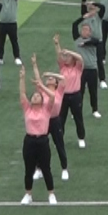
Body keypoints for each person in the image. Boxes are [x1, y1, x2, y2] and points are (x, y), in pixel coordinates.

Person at [19, 68, 58, 205]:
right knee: (29, 169)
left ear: (42, 100)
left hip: (42, 141)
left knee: (46, 168)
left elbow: (52, 96)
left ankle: (51, 194)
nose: (35, 97)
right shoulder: (27, 108)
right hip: (29, 141)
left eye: (38, 96)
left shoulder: (46, 109)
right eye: (34, 96)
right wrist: (22, 78)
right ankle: (28, 194)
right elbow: (22, 93)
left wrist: (41, 86)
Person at [31, 57, 70, 181]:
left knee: (59, 144)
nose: (49, 79)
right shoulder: (42, 91)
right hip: (44, 121)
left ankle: (64, 169)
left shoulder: (59, 91)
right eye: (48, 79)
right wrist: (34, 64)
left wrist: (50, 74)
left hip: (55, 121)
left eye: (52, 79)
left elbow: (63, 78)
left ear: (55, 83)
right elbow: (38, 78)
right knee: (40, 146)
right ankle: (39, 169)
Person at [55, 37, 88, 147]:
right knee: (61, 118)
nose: (66, 59)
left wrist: (69, 52)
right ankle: (60, 139)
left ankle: (81, 138)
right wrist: (57, 44)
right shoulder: (62, 68)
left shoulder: (78, 68)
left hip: (75, 95)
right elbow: (59, 56)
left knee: (78, 117)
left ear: (73, 59)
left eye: (68, 57)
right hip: (63, 96)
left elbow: (80, 58)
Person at [75, 0, 108, 87]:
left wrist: (94, 3)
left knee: (99, 61)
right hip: (87, 41)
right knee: (85, 60)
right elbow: (83, 6)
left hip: (98, 42)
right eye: (90, 8)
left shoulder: (99, 16)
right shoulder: (85, 16)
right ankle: (83, 79)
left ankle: (102, 79)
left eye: (93, 8)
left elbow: (103, 7)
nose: (91, 10)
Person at [74, 21, 105, 119]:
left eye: (86, 30)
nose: (84, 31)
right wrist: (83, 18)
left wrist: (85, 43)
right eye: (83, 29)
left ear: (90, 32)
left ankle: (95, 110)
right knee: (79, 92)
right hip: (80, 70)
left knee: (93, 91)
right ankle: (77, 110)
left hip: (92, 69)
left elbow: (97, 42)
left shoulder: (93, 41)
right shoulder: (77, 39)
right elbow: (74, 25)